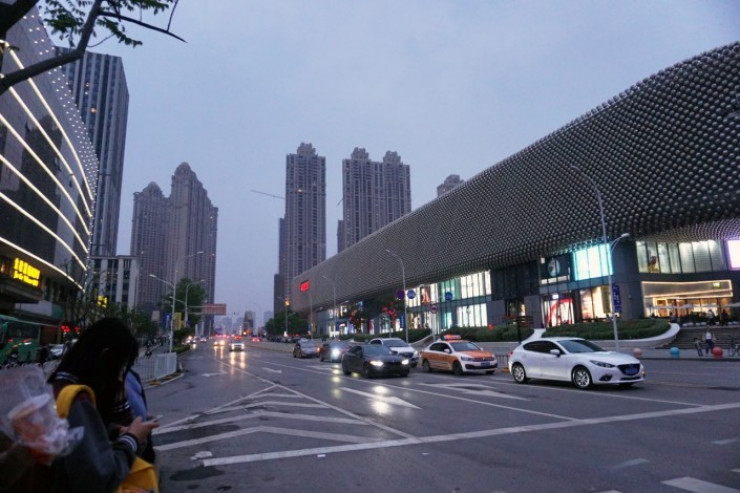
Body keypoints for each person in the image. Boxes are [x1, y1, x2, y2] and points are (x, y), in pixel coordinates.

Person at [8, 317, 159, 492]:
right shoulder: (76, 401)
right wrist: (132, 438)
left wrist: (112, 430)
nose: (120, 377)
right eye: (120, 366)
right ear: (106, 357)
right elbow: (99, 476)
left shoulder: (54, 387)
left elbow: (74, 445)